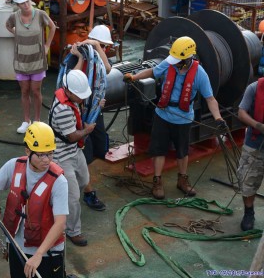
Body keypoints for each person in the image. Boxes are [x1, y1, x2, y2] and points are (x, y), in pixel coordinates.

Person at [123, 36, 226, 200]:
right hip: (162, 115)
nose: (175, 62)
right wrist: (134, 77)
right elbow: (152, 71)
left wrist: (218, 118)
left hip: (183, 119)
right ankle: (157, 181)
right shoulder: (169, 63)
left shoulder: (200, 74)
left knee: (182, 151)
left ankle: (182, 180)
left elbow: (210, 98)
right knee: (158, 149)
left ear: (188, 58)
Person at [0, 122, 68, 278]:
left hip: (47, 253)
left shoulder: (59, 182)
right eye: (41, 154)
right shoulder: (14, 166)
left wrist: (38, 255)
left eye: (50, 153)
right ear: (28, 151)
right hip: (17, 246)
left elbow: (60, 223)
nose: (47, 160)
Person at [49, 69, 97, 247]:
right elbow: (72, 136)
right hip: (62, 156)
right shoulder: (62, 109)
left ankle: (58, 201)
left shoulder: (72, 99)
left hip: (75, 151)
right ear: (68, 91)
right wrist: (87, 130)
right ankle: (73, 231)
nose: (82, 98)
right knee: (73, 196)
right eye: (79, 95)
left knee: (84, 180)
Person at [69, 25, 113, 211]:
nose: (104, 50)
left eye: (105, 47)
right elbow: (72, 78)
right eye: (102, 46)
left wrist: (97, 47)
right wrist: (80, 56)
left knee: (101, 146)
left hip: (95, 110)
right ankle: (88, 192)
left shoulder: (99, 58)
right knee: (83, 152)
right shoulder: (75, 56)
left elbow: (108, 69)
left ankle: (82, 176)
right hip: (79, 112)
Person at [6, 0, 56, 134]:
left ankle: (37, 120)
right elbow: (8, 26)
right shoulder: (14, 17)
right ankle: (26, 121)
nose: (26, 5)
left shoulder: (40, 14)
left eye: (27, 1)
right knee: (24, 90)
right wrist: (17, 34)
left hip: (37, 61)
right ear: (18, 4)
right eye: (22, 3)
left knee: (35, 90)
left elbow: (52, 27)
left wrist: (47, 45)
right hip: (21, 61)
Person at [236, 78, 264, 231]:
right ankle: (248, 212)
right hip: (255, 144)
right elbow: (241, 113)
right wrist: (258, 125)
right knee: (247, 179)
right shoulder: (253, 88)